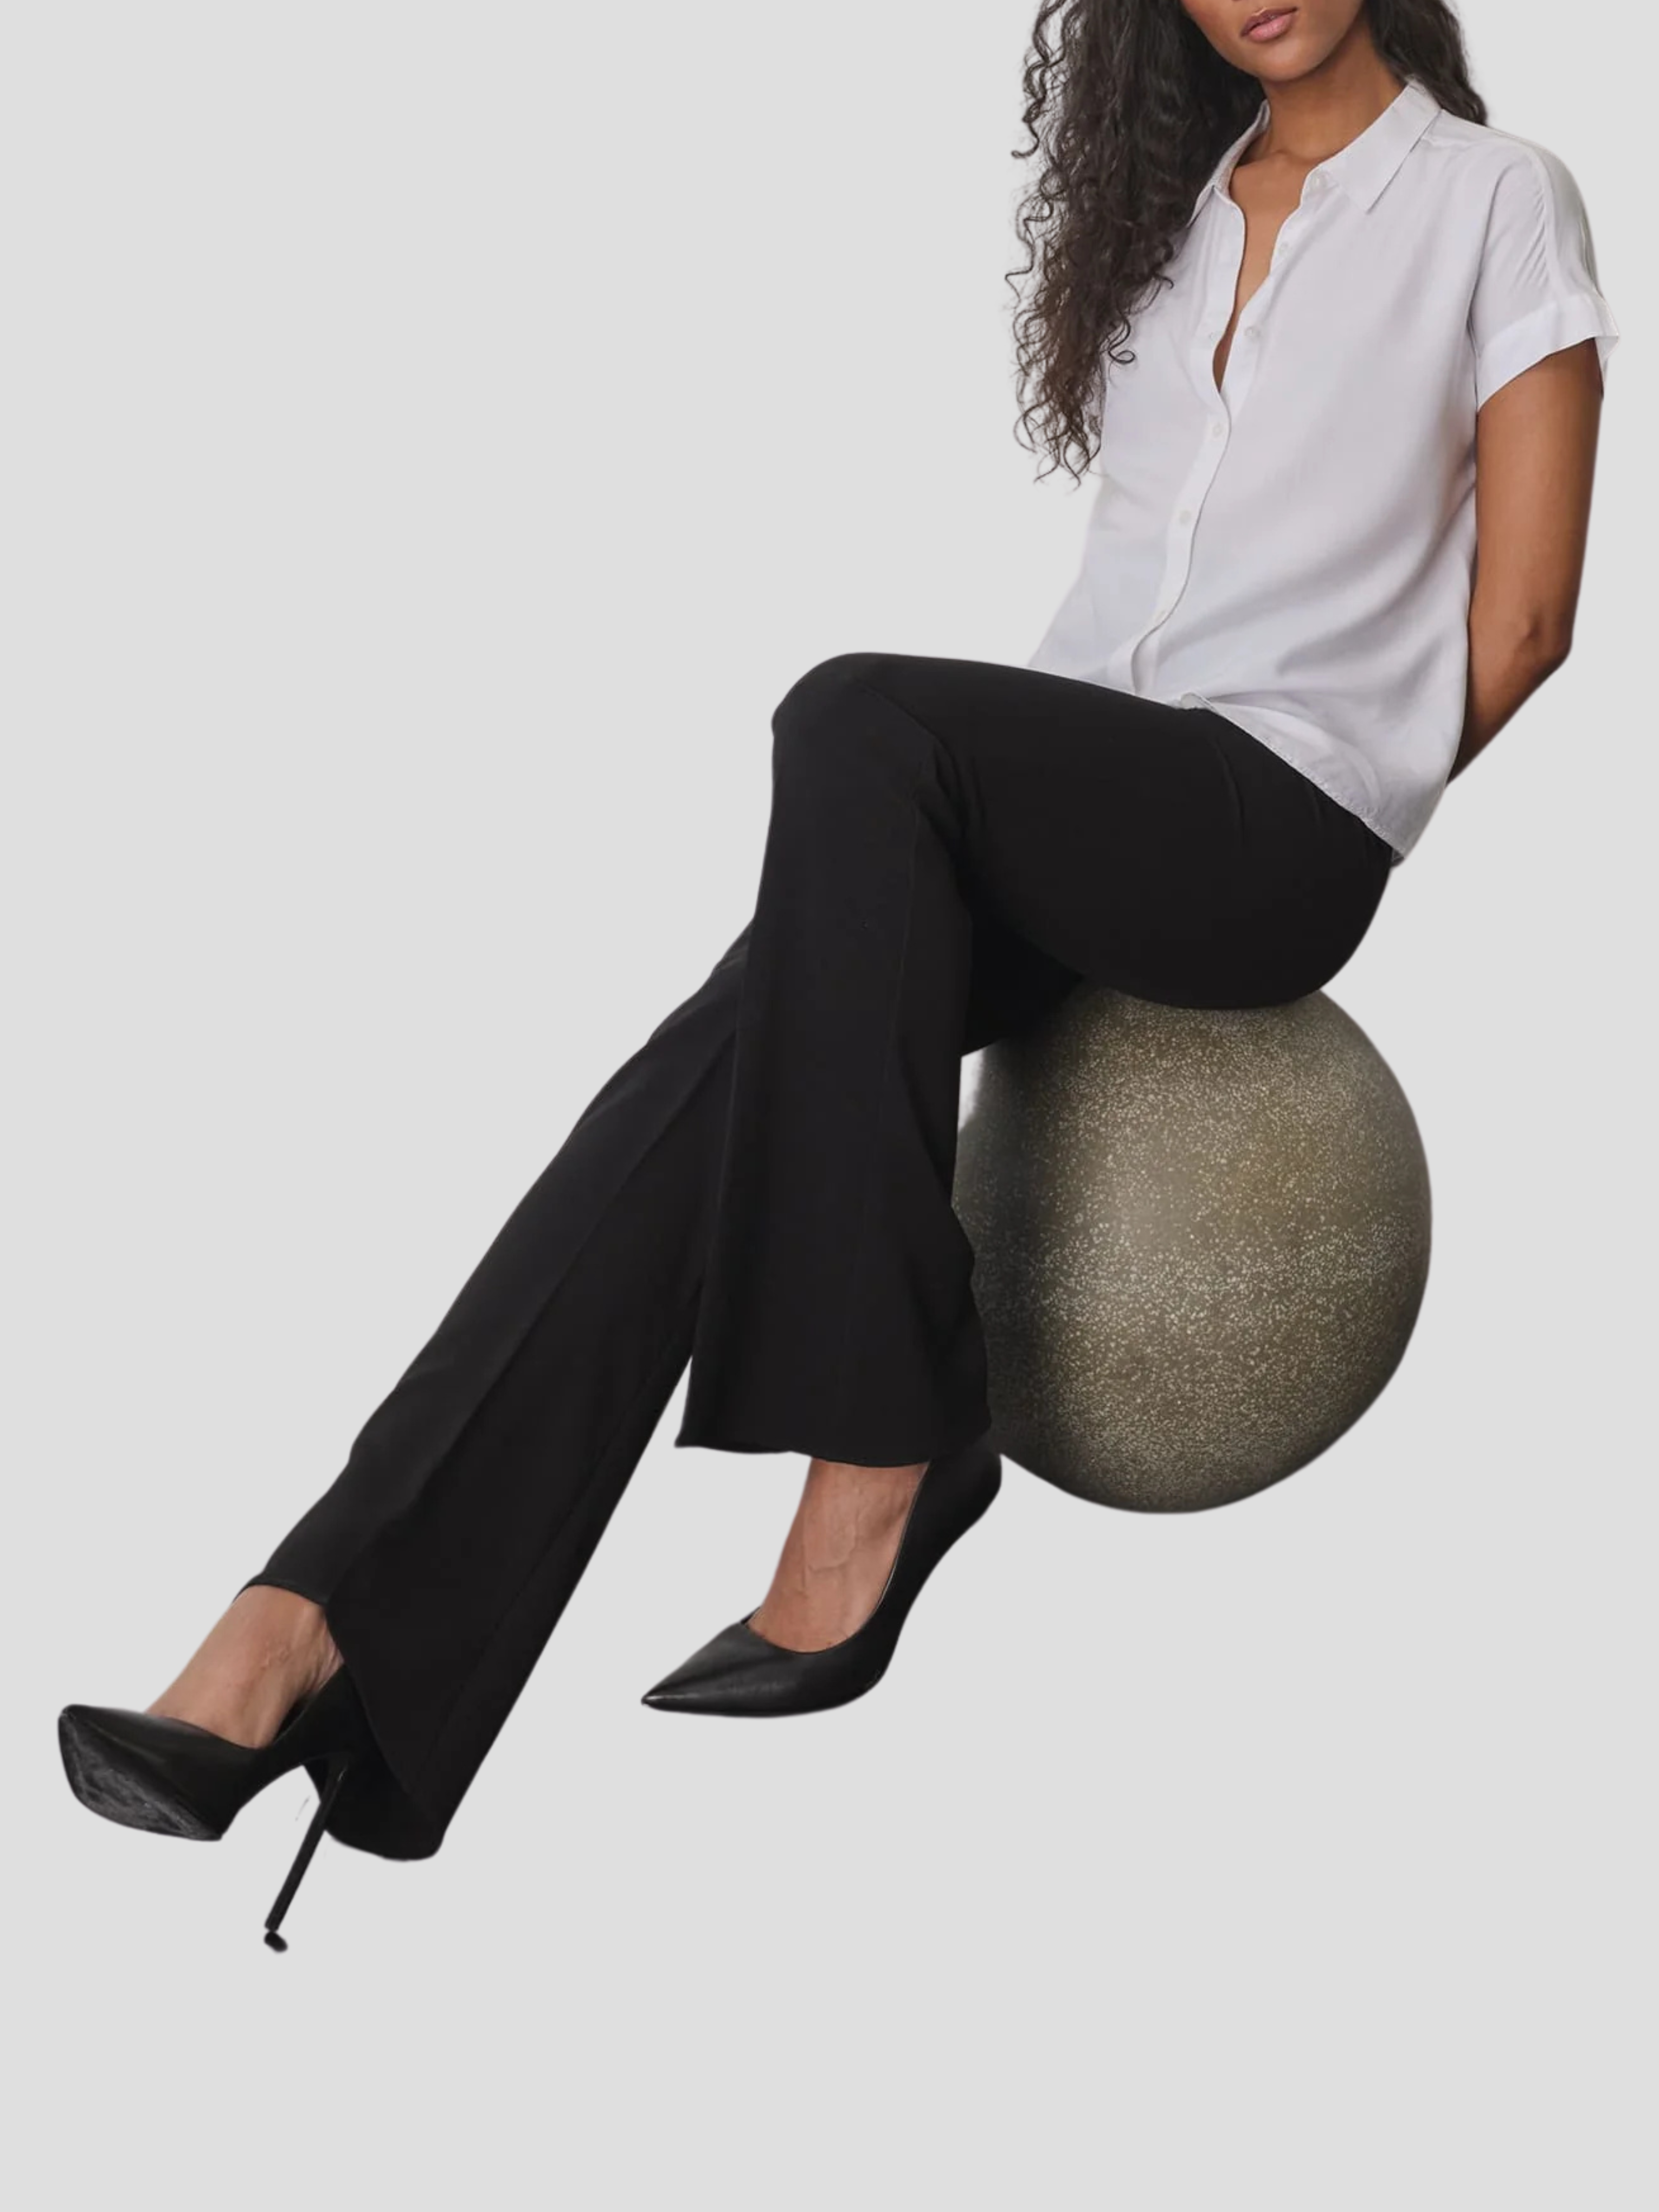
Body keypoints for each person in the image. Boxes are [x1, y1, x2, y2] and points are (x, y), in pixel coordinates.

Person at [59, 0, 1617, 1949]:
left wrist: (1352, 784)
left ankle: (882, 1431)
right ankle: (318, 1628)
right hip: (1052, 801)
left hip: (1275, 825)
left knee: (854, 717)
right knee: (690, 1103)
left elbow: (1525, 620)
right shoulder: (1176, 208)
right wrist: (1049, 828)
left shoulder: (1493, 198)